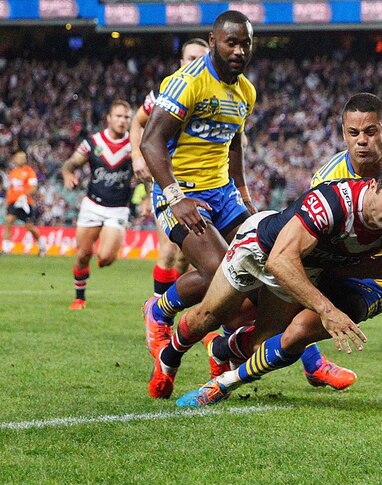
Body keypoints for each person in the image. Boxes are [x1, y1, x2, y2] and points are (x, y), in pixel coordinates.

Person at [201, 92, 382, 391]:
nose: (362, 141)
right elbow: (302, 247)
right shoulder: (327, 179)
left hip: (373, 280)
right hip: (330, 267)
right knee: (251, 317)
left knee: (298, 331)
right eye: (354, 133)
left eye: (371, 131)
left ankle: (266, 367)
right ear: (344, 135)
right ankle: (222, 346)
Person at [172, 158, 382, 407]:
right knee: (209, 317)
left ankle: (221, 372)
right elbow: (279, 260)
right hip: (261, 247)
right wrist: (327, 310)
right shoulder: (332, 201)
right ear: (374, 186)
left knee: (275, 340)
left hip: (314, 269)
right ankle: (170, 354)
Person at [141, 10, 266, 398]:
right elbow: (150, 142)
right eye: (231, 42)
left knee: (262, 271)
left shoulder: (245, 91)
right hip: (182, 193)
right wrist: (176, 197)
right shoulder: (186, 83)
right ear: (213, 42)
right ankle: (159, 310)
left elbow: (232, 147)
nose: (239, 50)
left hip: (224, 195)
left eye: (245, 43)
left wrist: (244, 197)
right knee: (219, 273)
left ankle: (223, 347)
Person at [130, 38, 209, 299]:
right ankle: (156, 316)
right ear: (181, 63)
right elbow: (138, 121)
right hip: (169, 181)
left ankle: (171, 311)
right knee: (168, 251)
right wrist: (136, 155)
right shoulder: (166, 93)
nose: (197, 64)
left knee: (185, 260)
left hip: (205, 183)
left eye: (203, 59)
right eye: (191, 59)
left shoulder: (214, 95)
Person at [61, 100, 136, 309]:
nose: (123, 120)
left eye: (127, 117)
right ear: (109, 118)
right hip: (92, 205)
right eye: (119, 116)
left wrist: (147, 196)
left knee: (105, 258)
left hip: (118, 208)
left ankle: (106, 252)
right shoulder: (92, 143)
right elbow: (70, 164)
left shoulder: (134, 145)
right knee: (84, 254)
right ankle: (79, 297)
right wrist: (68, 174)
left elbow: (145, 173)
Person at [2, 150, 45, 256]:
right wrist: (8, 202)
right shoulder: (12, 173)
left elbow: (34, 187)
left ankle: (41, 245)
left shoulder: (29, 172)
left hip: (26, 203)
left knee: (29, 226)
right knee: (8, 221)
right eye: (19, 157)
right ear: (15, 159)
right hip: (14, 203)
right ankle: (6, 248)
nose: (21, 159)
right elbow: (10, 189)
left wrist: (24, 196)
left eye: (23, 157)